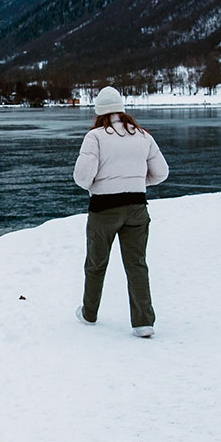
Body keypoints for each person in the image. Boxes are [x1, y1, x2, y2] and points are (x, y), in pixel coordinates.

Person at [72, 86, 168, 338]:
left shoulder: (95, 137)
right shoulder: (143, 136)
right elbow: (161, 173)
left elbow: (82, 177)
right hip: (137, 207)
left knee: (96, 263)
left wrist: (100, 184)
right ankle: (143, 323)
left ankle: (89, 313)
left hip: (104, 209)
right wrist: (135, 182)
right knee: (137, 265)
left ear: (99, 111)